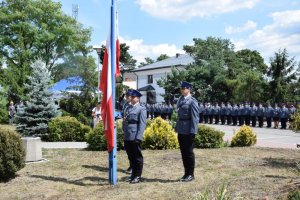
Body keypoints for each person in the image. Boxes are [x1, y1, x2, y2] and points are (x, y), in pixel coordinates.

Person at [176, 81, 200, 182]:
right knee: (183, 152)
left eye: (184, 88)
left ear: (189, 89)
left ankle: (191, 174)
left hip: (188, 130)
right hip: (181, 129)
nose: (182, 90)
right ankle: (186, 173)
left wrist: (193, 132)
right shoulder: (181, 100)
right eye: (181, 88)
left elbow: (195, 118)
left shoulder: (192, 101)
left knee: (189, 152)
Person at [123, 89, 147, 184]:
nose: (131, 98)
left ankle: (137, 175)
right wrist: (124, 132)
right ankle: (133, 174)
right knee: (130, 156)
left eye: (133, 97)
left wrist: (139, 137)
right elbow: (125, 121)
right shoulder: (128, 107)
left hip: (135, 135)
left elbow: (142, 124)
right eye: (131, 97)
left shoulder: (141, 108)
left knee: (137, 156)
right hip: (128, 135)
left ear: (137, 98)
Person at [122, 89, 133, 174]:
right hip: (125, 129)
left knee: (132, 149)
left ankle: (133, 166)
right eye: (125, 96)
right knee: (128, 149)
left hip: (132, 130)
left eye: (127, 96)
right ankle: (131, 165)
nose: (126, 98)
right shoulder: (125, 105)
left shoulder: (134, 106)